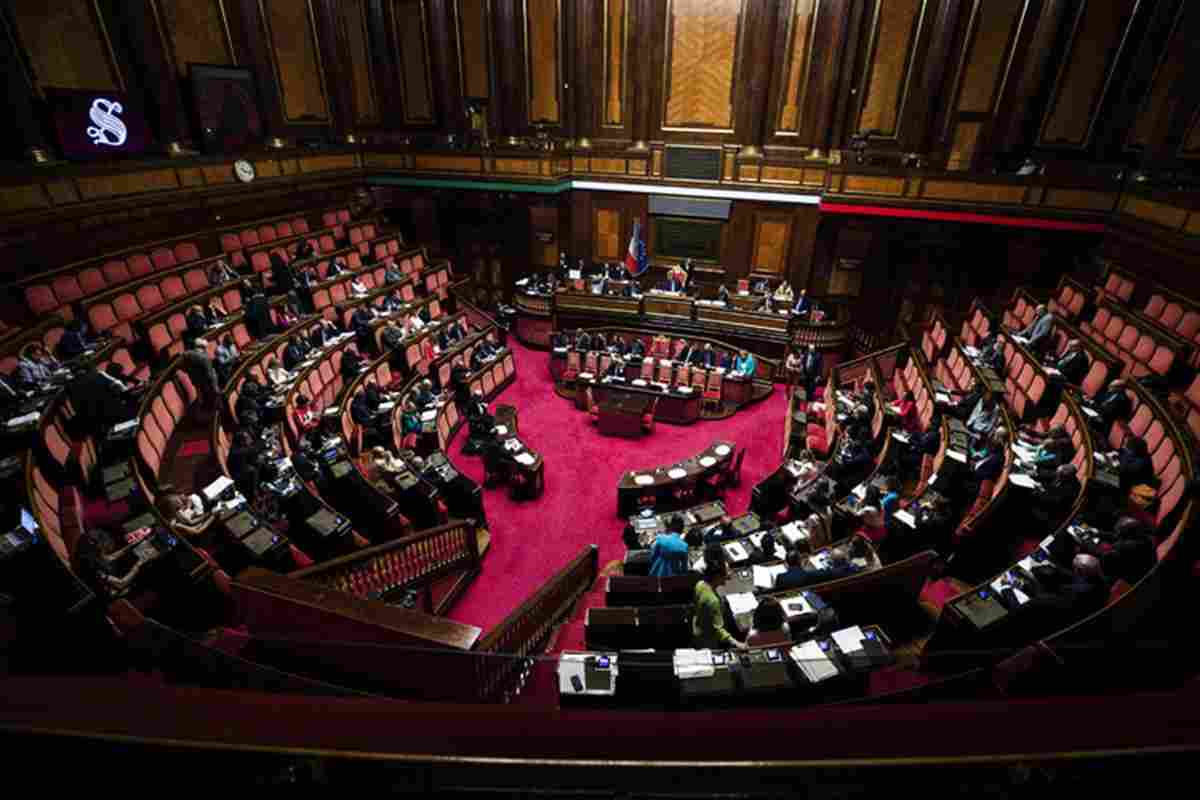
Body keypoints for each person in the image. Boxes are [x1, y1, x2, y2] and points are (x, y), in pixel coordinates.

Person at [692, 544, 747, 651]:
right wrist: (737, 643)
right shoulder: (713, 601)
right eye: (725, 574)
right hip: (708, 638)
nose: (727, 577)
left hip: (698, 626)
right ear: (717, 576)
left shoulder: (700, 584)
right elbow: (718, 629)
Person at [180, 339, 220, 411]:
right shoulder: (204, 358)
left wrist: (188, 370)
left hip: (195, 379)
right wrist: (215, 386)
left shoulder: (189, 353)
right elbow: (209, 375)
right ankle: (208, 410)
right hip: (205, 381)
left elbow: (181, 361)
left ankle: (201, 406)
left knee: (199, 393)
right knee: (208, 397)